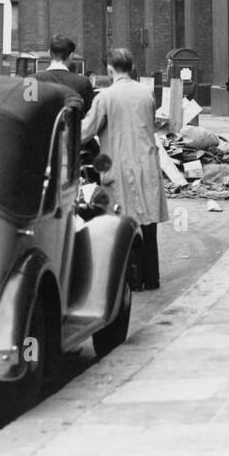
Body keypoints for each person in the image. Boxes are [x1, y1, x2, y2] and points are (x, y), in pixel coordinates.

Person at [80, 48, 170, 290]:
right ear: (130, 67)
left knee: (122, 222)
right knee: (149, 222)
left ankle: (132, 278)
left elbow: (85, 131)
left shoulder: (105, 97)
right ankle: (151, 277)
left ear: (110, 68)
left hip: (120, 164)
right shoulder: (146, 93)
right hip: (147, 162)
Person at [34, 34, 93, 112]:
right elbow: (90, 115)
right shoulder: (84, 83)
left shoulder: (31, 80)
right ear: (71, 56)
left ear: (49, 53)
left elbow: (25, 112)